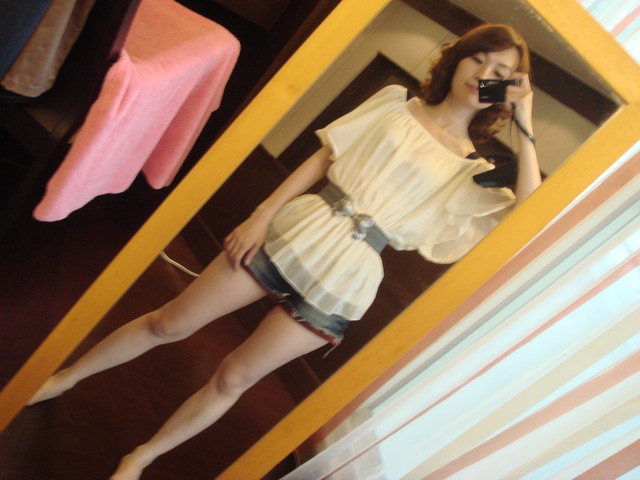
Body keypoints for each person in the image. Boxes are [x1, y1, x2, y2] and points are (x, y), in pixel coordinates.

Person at [28, 23, 541, 480]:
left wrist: (526, 124)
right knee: (170, 323)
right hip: (301, 228)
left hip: (349, 275)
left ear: (510, 89)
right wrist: (262, 213)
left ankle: (141, 458)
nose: (484, 75)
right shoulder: (394, 104)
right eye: (478, 59)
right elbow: (323, 158)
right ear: (458, 59)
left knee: (235, 377)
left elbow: (532, 210)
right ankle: (64, 378)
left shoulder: (470, 171)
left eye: (501, 73)